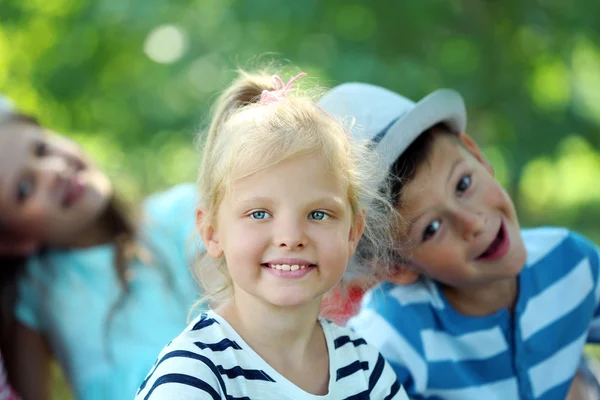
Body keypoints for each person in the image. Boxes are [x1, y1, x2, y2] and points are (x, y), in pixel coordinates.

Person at [135, 70, 409, 400]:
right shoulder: (193, 377)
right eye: (260, 214)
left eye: (318, 214)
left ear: (353, 232)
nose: (291, 237)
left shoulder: (364, 367)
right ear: (211, 232)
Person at [319, 82, 600, 400]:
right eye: (432, 228)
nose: (473, 223)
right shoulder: (394, 337)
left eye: (463, 184)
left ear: (477, 155)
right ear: (394, 266)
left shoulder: (571, 262)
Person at [0, 96, 203, 400]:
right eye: (24, 189)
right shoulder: (37, 289)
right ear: (13, 241)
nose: (53, 170)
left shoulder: (181, 215)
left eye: (42, 148)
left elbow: (245, 328)